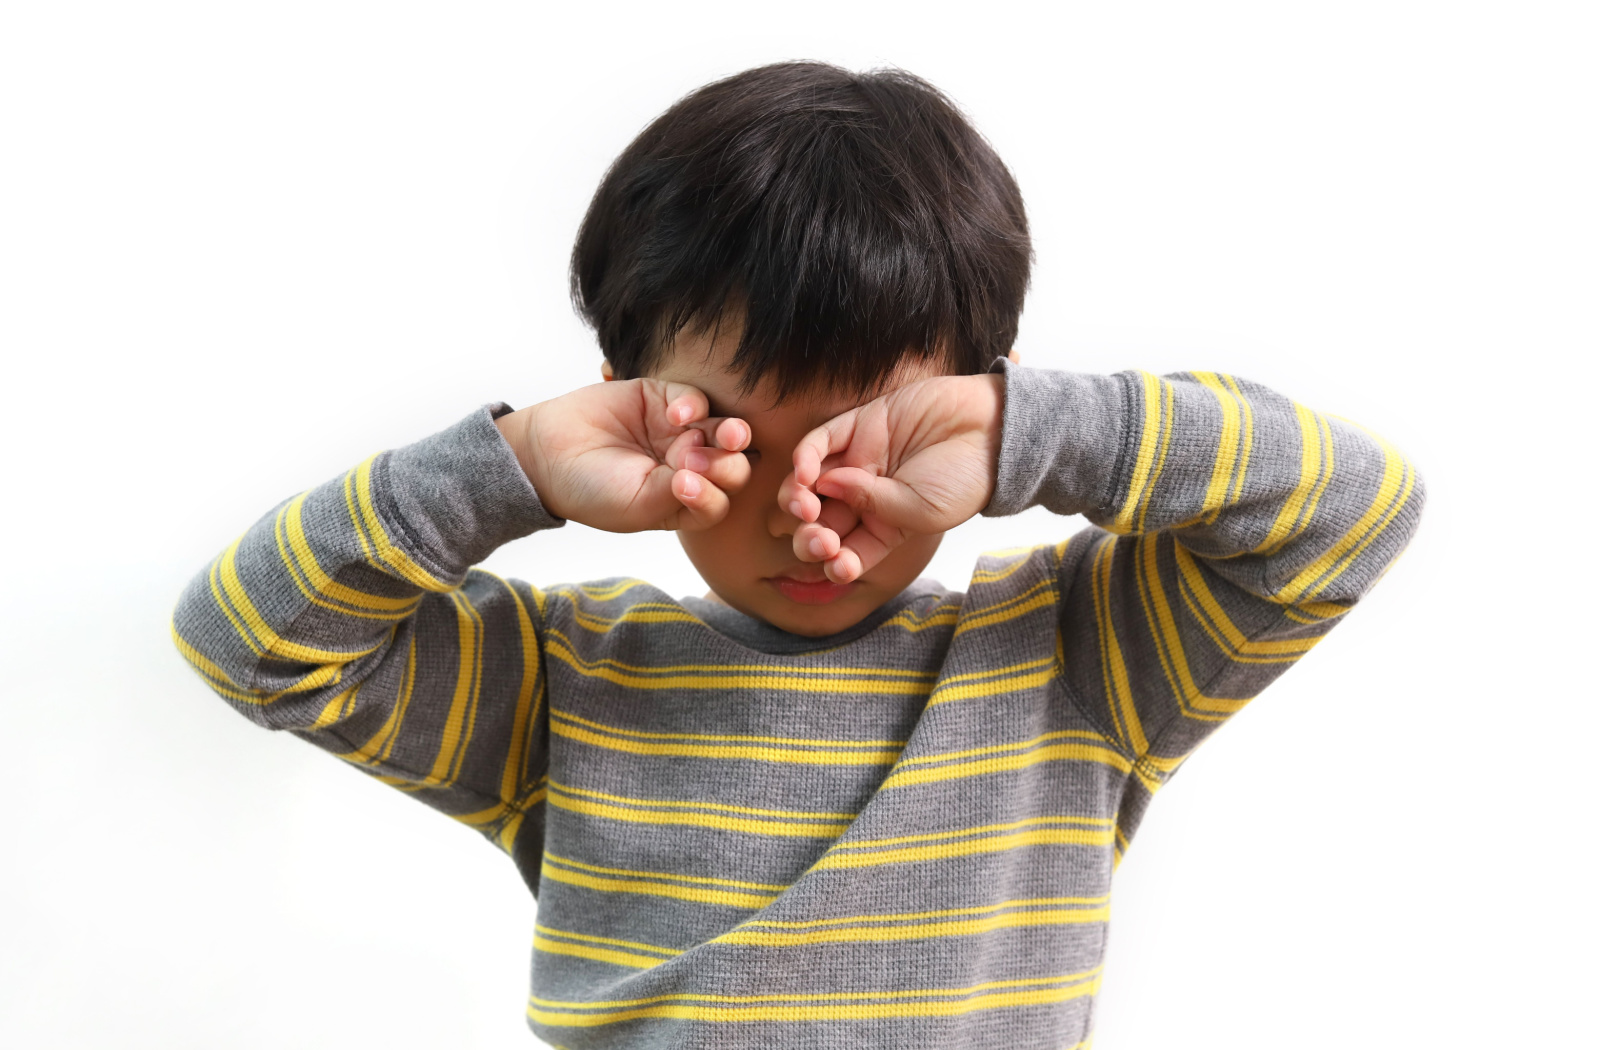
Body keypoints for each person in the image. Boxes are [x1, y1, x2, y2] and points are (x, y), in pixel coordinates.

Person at [173, 61, 1425, 1049]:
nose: (796, 515)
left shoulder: (1077, 661)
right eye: (736, 444)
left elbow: (1352, 509)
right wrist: (514, 466)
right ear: (623, 406)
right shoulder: (564, 684)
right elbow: (246, 636)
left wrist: (1034, 432)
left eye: (867, 445)